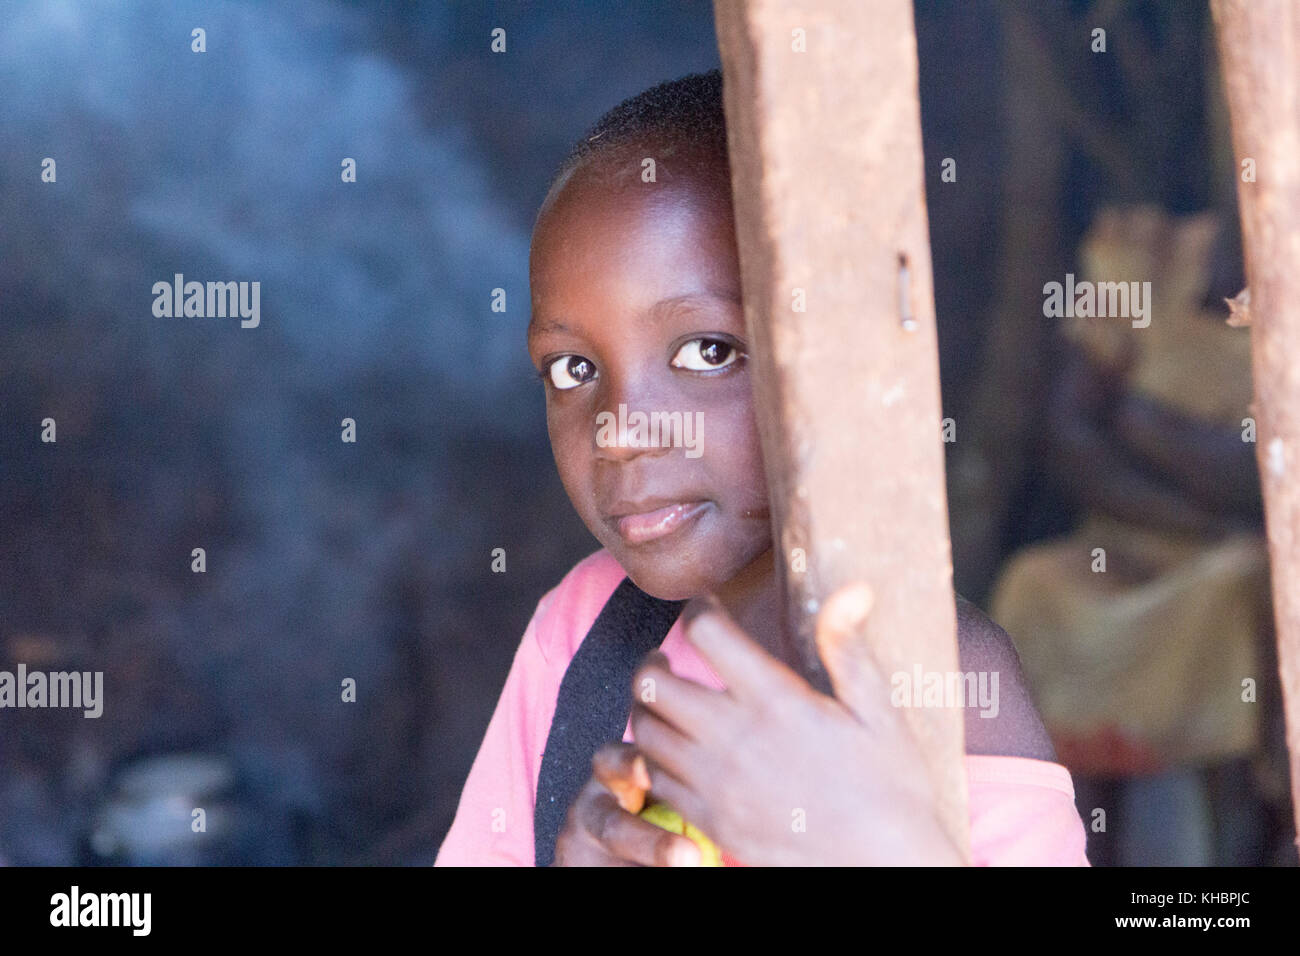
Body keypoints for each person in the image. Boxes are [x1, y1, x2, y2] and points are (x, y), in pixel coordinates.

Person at [435, 70, 1089, 866]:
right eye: (573, 369)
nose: (618, 433)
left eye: (708, 351)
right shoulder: (579, 636)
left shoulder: (941, 683)